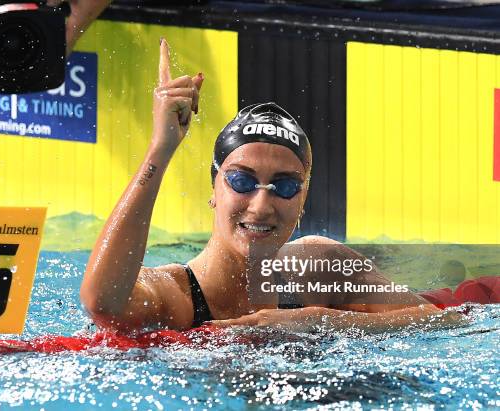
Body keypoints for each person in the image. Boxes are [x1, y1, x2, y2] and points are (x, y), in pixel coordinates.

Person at [80, 39, 461, 333]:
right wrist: (160, 151)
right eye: (242, 181)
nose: (261, 206)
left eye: (284, 186)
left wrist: (320, 321)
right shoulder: (174, 295)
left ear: (304, 199)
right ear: (215, 189)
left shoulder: (317, 266)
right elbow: (102, 303)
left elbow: (443, 321)